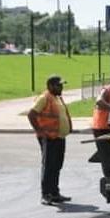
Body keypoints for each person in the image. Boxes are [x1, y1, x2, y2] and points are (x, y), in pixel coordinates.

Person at [28, 74, 73, 205]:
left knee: (57, 165)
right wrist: (39, 131)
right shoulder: (44, 98)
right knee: (48, 166)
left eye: (62, 85)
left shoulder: (57, 98)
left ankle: (54, 193)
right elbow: (31, 115)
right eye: (59, 85)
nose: (61, 87)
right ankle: (46, 194)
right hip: (49, 137)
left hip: (59, 137)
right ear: (50, 86)